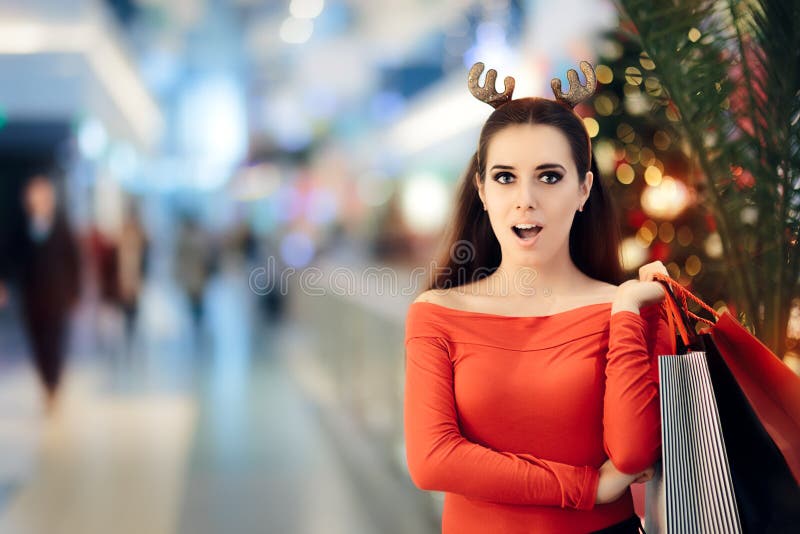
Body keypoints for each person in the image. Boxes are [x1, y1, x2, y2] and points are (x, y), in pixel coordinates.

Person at [403, 61, 676, 533]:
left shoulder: (626, 307)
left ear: (584, 189)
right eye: (505, 177)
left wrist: (630, 310)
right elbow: (432, 461)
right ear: (482, 191)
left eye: (549, 177)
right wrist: (589, 488)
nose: (525, 199)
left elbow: (633, 453)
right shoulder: (436, 315)